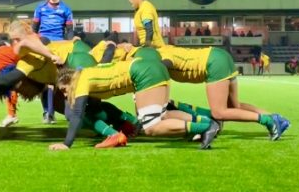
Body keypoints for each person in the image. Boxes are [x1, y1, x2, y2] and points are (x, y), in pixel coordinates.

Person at [51, 47, 220, 150]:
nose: (66, 95)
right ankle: (206, 123)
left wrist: (66, 144)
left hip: (143, 74)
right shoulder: (86, 74)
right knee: (163, 115)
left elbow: (78, 113)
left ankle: (206, 127)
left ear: (69, 81)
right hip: (150, 70)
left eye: (65, 91)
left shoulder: (79, 80)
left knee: (151, 127)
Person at [158, 45, 289, 139]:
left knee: (219, 112)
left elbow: (165, 64)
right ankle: (276, 118)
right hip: (220, 55)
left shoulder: (158, 58)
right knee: (234, 106)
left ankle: (268, 121)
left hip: (213, 63)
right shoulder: (163, 49)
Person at [32, 0, 74, 123]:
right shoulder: (40, 8)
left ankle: (69, 110)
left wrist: (71, 42)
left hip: (60, 46)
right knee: (46, 81)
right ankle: (46, 112)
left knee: (63, 79)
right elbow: (34, 31)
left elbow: (69, 32)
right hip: (44, 47)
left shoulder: (66, 9)